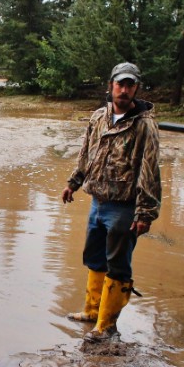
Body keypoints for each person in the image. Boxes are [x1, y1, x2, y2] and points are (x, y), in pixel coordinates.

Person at [60, 62, 161, 342]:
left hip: (124, 206)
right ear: (111, 85)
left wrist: (145, 213)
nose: (124, 90)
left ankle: (105, 326)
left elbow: (149, 171)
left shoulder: (144, 126)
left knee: (117, 265)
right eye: (120, 84)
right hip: (98, 202)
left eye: (130, 85)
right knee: (93, 258)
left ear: (137, 89)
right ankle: (92, 312)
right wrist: (74, 182)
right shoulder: (98, 118)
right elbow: (86, 154)